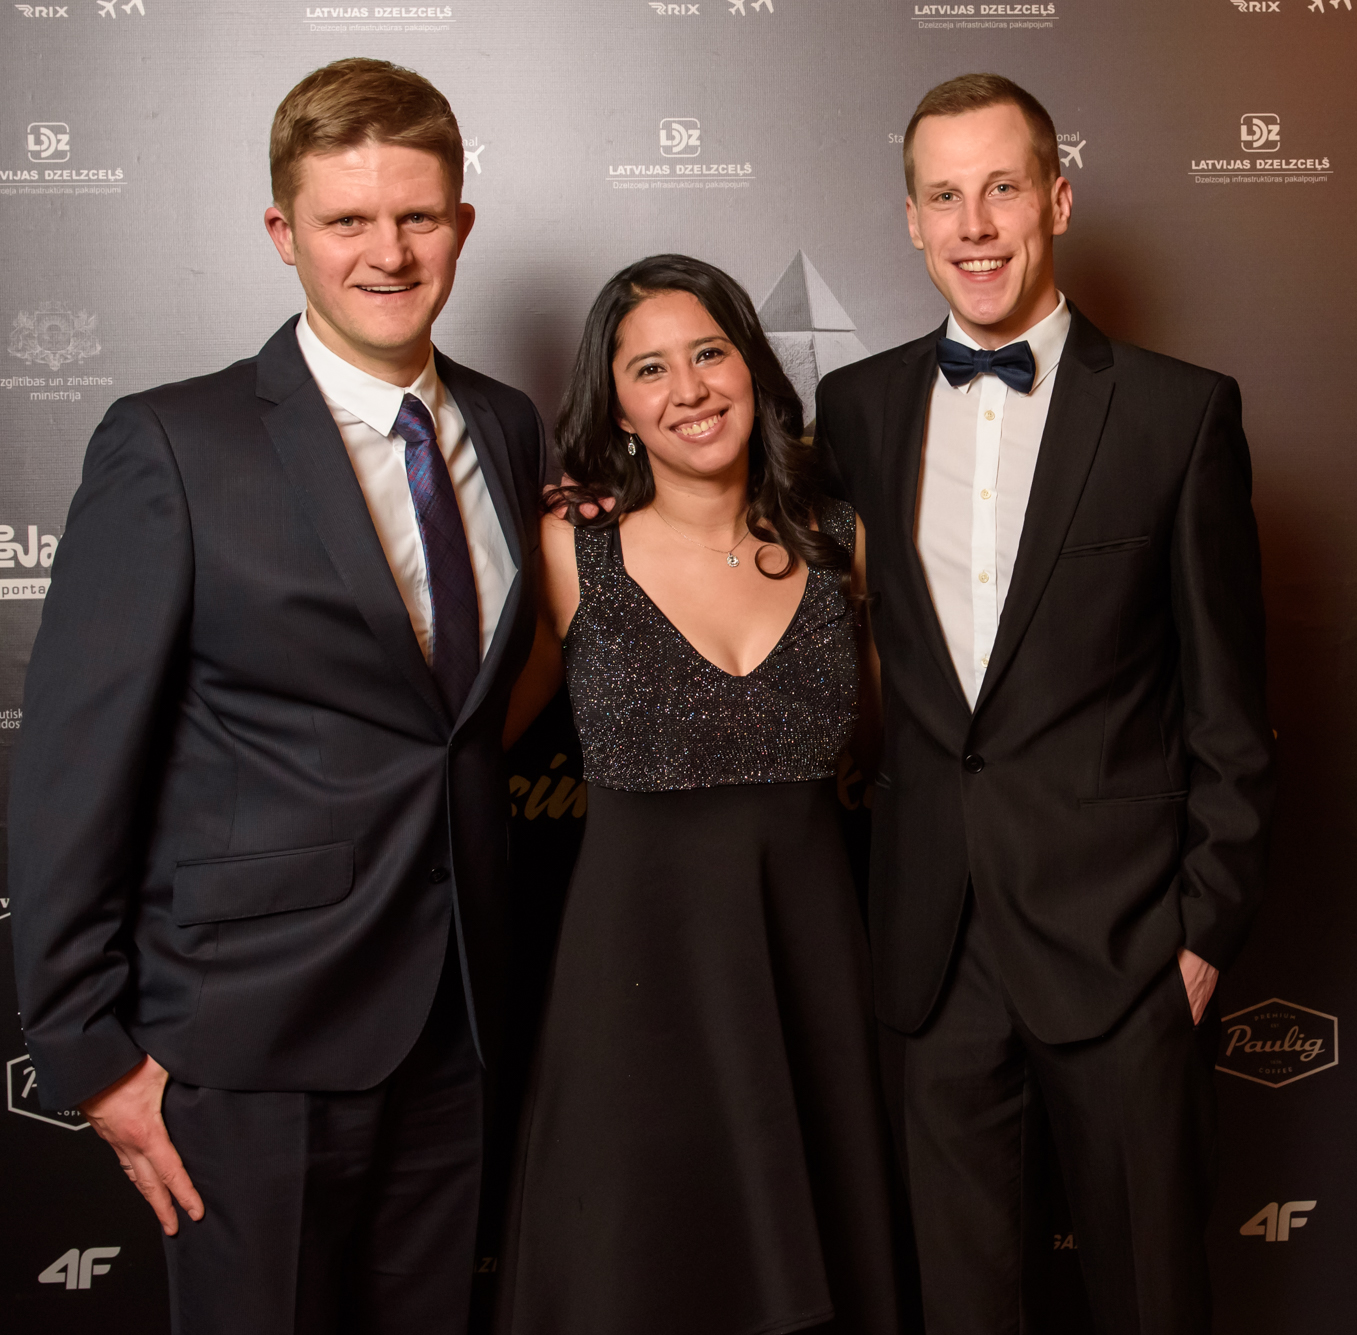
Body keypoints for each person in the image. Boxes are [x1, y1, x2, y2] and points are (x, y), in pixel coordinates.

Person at [7, 58, 546, 1334]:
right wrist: (91, 1057)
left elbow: (458, 720)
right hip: (247, 1045)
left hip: (458, 1026)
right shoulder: (172, 445)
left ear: (461, 223)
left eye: (417, 216)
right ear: (282, 233)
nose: (387, 253)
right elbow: (73, 772)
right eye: (346, 219)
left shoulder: (508, 425)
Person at [814, 75, 1275, 1334]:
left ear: (1055, 200)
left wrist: (1200, 935)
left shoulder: (1179, 414)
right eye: (943, 197)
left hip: (1121, 948)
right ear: (911, 220)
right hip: (930, 948)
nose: (973, 226)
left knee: (1148, 1299)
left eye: (1001, 190)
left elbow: (1229, 710)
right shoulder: (853, 410)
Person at [495, 254, 901, 1335]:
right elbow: (460, 746)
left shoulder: (840, 545)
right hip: (631, 986)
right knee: (633, 1274)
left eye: (710, 353)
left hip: (809, 971)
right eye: (649, 369)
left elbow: (903, 749)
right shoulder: (568, 551)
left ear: (754, 368)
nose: (689, 390)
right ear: (617, 408)